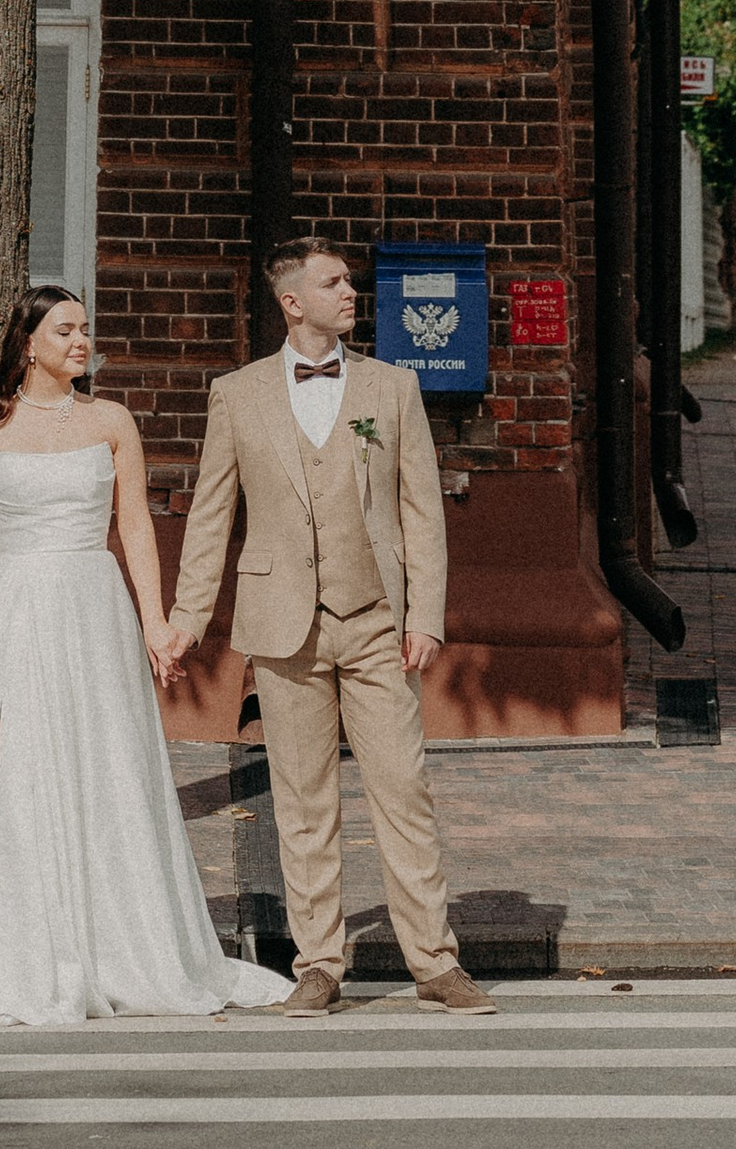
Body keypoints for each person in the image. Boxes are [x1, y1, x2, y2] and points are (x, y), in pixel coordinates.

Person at [0, 283, 293, 1025]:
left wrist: (155, 621)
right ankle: (26, 943)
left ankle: (119, 942)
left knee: (104, 765)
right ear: (28, 342)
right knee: (21, 768)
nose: (81, 340)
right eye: (65, 329)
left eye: (85, 329)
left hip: (93, 607)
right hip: (19, 611)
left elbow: (133, 525)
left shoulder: (111, 422)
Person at [160, 237, 494, 1017]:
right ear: (292, 301)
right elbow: (211, 516)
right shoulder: (236, 393)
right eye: (334, 282)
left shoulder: (393, 385)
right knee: (303, 799)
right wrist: (185, 619)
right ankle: (319, 964)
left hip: (378, 619)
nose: (352, 292)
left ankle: (436, 963)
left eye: (350, 280)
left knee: (402, 790)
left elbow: (421, 511)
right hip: (281, 624)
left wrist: (426, 614)